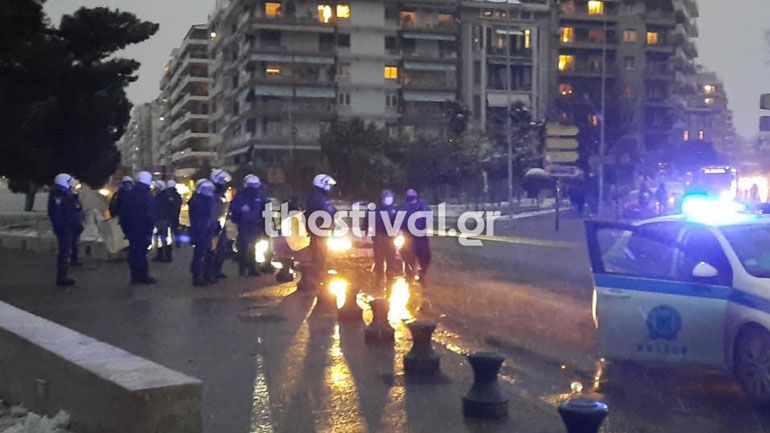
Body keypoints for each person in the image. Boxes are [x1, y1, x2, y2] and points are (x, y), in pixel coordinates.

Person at [119, 171, 157, 285]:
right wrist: (151, 226)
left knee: (134, 253)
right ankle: (143, 277)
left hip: (132, 229)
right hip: (143, 229)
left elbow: (123, 213)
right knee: (141, 254)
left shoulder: (129, 194)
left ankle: (135, 277)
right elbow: (150, 213)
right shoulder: (146, 195)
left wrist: (125, 229)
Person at [47, 173, 84, 287]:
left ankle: (64, 274)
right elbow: (56, 213)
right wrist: (60, 227)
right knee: (64, 252)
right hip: (65, 228)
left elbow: (77, 208)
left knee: (67, 250)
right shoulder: (58, 194)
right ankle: (62, 277)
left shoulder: (67, 193)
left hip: (70, 227)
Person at [303, 174, 337, 291]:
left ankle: (317, 279)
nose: (330, 187)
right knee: (318, 255)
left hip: (320, 230)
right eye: (328, 184)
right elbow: (322, 213)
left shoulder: (320, 197)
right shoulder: (317, 197)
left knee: (320, 254)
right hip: (318, 231)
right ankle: (316, 280)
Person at [230, 175, 266, 277]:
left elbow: (265, 206)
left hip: (254, 224)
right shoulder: (243, 196)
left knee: (251, 247)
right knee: (245, 247)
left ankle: (249, 268)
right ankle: (245, 268)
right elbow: (234, 207)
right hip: (245, 224)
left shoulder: (258, 195)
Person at [400, 189, 432, 286]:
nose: (411, 196)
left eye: (412, 194)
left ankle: (421, 275)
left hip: (421, 236)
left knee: (425, 257)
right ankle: (409, 277)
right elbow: (400, 220)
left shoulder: (422, 205)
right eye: (409, 194)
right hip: (408, 236)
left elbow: (428, 215)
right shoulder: (404, 206)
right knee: (408, 258)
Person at [369, 189, 399, 287]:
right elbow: (367, 220)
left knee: (390, 259)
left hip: (390, 238)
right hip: (378, 238)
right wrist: (364, 231)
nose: (388, 200)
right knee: (379, 259)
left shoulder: (395, 210)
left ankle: (389, 280)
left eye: (390, 198)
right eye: (387, 198)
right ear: (383, 199)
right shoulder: (375, 209)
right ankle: (378, 280)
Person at [189, 180, 216, 286]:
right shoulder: (197, 201)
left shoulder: (208, 199)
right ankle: (197, 277)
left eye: (209, 189)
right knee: (199, 254)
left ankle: (206, 275)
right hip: (200, 231)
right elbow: (198, 218)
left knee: (208, 253)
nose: (208, 191)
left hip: (208, 230)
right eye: (205, 189)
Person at [209, 169, 232, 280]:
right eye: (221, 180)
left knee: (221, 249)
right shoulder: (211, 193)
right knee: (211, 250)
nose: (223, 183)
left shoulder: (221, 194)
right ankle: (210, 273)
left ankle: (217, 271)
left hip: (220, 226)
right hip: (212, 227)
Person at [151, 180, 172, 263]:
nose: (155, 189)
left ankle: (167, 256)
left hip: (163, 220)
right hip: (160, 219)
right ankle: (160, 255)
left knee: (164, 238)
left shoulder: (163, 197)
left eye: (156, 188)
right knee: (160, 239)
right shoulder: (160, 196)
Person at [165, 180, 183, 248]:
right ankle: (177, 242)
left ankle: (167, 244)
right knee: (175, 229)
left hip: (167, 215)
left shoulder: (166, 194)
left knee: (166, 230)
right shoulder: (177, 195)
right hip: (175, 215)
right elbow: (179, 204)